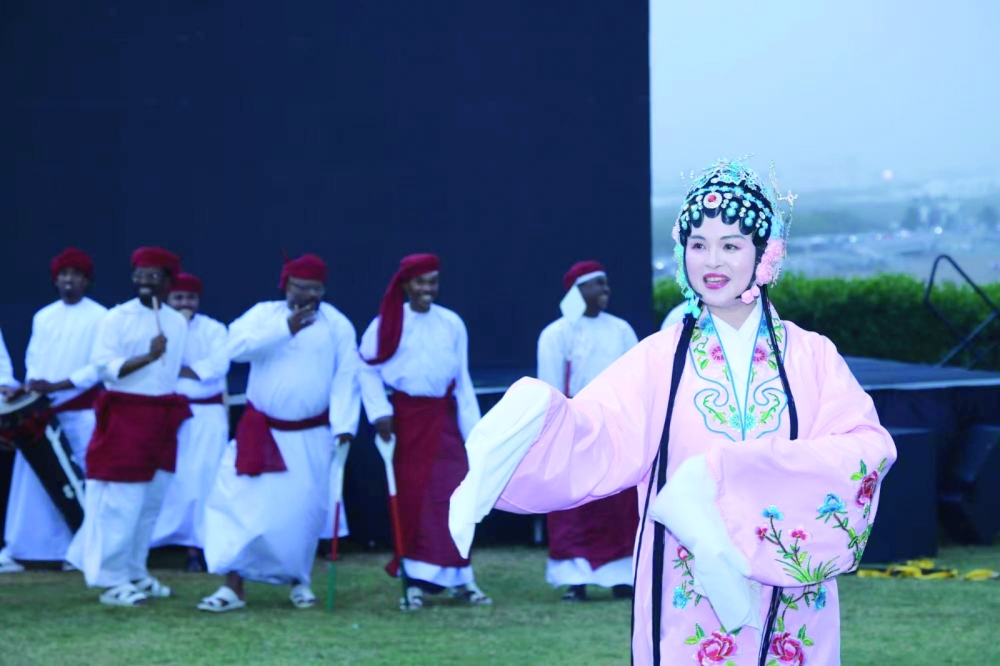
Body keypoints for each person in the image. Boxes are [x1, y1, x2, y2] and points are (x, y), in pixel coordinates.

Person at [451, 159, 897, 665]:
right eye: (698, 244)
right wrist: (534, 417)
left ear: (764, 254)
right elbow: (597, 434)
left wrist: (741, 474)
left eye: (731, 246)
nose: (713, 260)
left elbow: (865, 447)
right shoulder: (657, 358)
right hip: (684, 588)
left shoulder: (812, 355)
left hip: (790, 598)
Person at [198, 254, 359, 612]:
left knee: (302, 513)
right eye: (301, 287)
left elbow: (347, 376)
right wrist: (286, 329)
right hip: (260, 432)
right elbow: (234, 349)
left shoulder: (337, 324)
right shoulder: (263, 314)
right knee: (239, 506)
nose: (309, 295)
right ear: (286, 286)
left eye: (316, 289)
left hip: (310, 435)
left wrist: (345, 425)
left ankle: (300, 582)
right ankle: (232, 587)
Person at [359, 253, 491, 610]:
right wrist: (380, 413)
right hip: (406, 423)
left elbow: (462, 380)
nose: (427, 289)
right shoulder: (387, 323)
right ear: (406, 284)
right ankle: (415, 581)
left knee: (454, 496)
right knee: (413, 500)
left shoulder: (451, 323)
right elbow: (365, 369)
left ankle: (462, 577)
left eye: (433, 282)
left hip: (444, 422)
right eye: (420, 282)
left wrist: (475, 433)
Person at [66, 246, 191, 607]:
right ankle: (111, 579)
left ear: (169, 281)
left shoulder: (176, 322)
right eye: (140, 275)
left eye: (154, 276)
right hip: (125, 415)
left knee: (151, 501)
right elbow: (103, 366)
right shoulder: (116, 318)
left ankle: (135, 569)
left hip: (162, 417)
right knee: (121, 502)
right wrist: (148, 357)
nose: (144, 282)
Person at [536, 260, 639, 602]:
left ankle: (621, 577)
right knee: (574, 507)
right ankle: (575, 579)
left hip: (614, 428)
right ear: (579, 290)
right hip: (573, 429)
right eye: (599, 284)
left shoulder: (621, 330)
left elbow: (636, 380)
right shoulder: (556, 333)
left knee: (618, 505)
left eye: (606, 284)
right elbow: (550, 387)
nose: (606, 291)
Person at [0, 248, 107, 573]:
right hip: (42, 415)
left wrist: (58, 385)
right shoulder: (43, 316)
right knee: (32, 482)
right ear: (55, 280)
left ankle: (80, 551)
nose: (68, 280)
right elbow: (35, 359)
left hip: (81, 415)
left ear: (86, 281)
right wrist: (27, 388)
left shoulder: (101, 316)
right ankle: (23, 550)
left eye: (75, 274)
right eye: (63, 274)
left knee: (81, 480)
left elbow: (98, 367)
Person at [150, 273, 230, 572]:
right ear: (168, 299)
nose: (185, 303)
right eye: (178, 298)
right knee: (170, 479)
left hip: (206, 416)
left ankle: (198, 547)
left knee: (204, 479)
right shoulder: (157, 328)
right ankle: (157, 543)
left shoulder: (214, 329)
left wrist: (178, 370)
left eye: (190, 298)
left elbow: (217, 366)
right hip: (166, 415)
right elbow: (153, 366)